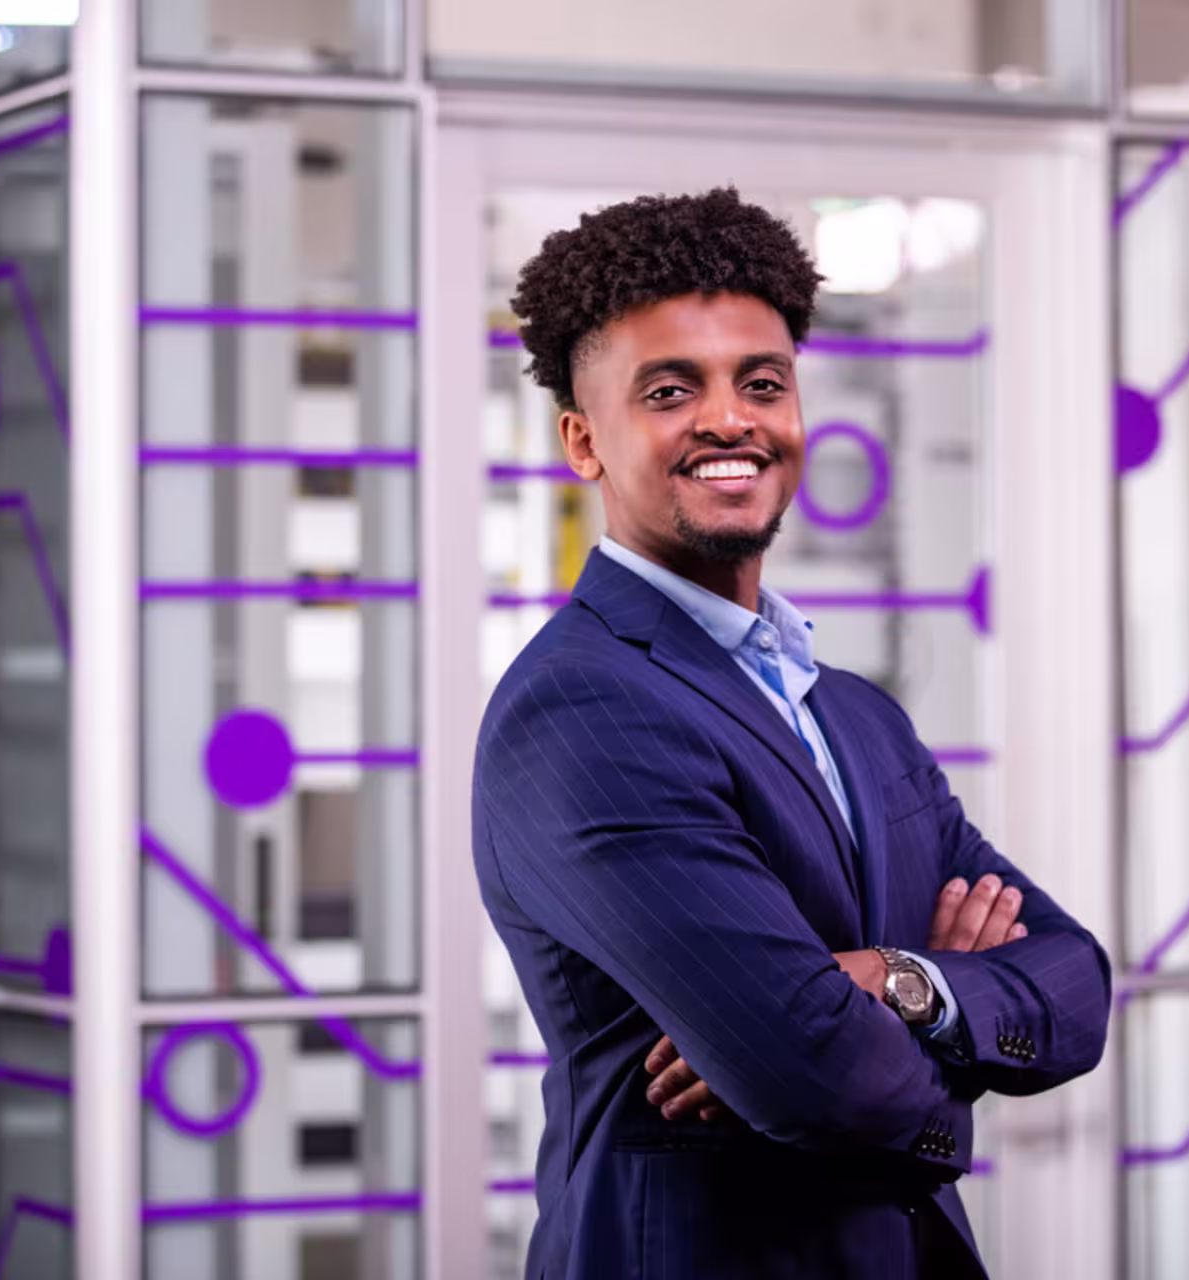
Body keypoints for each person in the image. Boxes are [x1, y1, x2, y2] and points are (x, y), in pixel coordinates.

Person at [472, 188, 1112, 1280]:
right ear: (584, 439)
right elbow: (822, 1077)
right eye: (671, 390)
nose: (732, 419)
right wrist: (920, 1038)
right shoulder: (584, 710)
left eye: (762, 383)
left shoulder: (854, 711)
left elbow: (1079, 984)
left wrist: (895, 981)